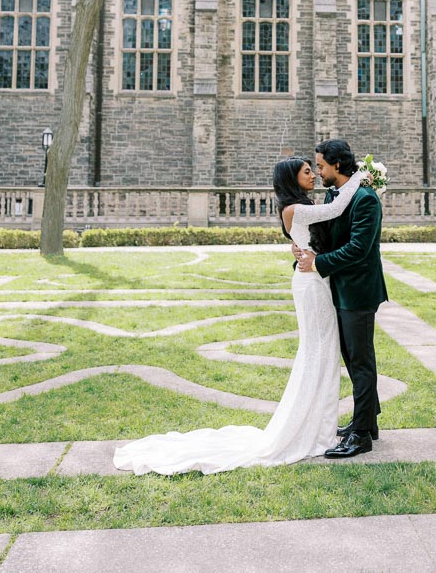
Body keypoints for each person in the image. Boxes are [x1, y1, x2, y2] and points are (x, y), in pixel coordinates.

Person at [112, 157, 365, 475]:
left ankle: (320, 427)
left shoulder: (298, 207)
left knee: (323, 352)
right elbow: (334, 210)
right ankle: (310, 429)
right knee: (317, 351)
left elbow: (320, 228)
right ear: (291, 178)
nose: (313, 175)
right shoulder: (293, 209)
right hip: (311, 285)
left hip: (316, 279)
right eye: (306, 172)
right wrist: (364, 175)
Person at [295, 138, 387, 459]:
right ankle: (368, 420)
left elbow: (358, 249)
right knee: (352, 358)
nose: (318, 172)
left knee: (361, 361)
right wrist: (305, 252)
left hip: (359, 291)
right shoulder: (337, 196)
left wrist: (317, 264)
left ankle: (361, 436)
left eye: (320, 166)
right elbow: (330, 237)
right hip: (340, 289)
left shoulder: (365, 199)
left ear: (337, 165)